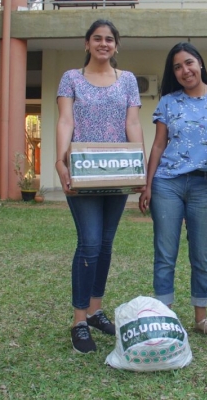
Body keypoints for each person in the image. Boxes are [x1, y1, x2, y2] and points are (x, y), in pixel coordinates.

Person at [138, 42, 207, 338]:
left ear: (200, 63)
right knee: (165, 252)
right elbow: (159, 144)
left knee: (202, 255)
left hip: (206, 185)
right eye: (177, 67)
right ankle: (165, 317)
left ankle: (201, 318)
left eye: (189, 63)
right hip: (167, 183)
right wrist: (147, 185)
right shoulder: (169, 102)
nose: (184, 70)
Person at [56, 19, 145, 353]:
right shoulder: (71, 78)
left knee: (105, 244)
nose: (103, 44)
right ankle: (79, 321)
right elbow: (66, 120)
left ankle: (95, 311)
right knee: (89, 244)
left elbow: (132, 122)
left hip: (118, 173)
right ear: (87, 43)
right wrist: (60, 161)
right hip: (84, 172)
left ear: (116, 46)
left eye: (109, 39)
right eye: (97, 39)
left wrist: (140, 169)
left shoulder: (129, 81)